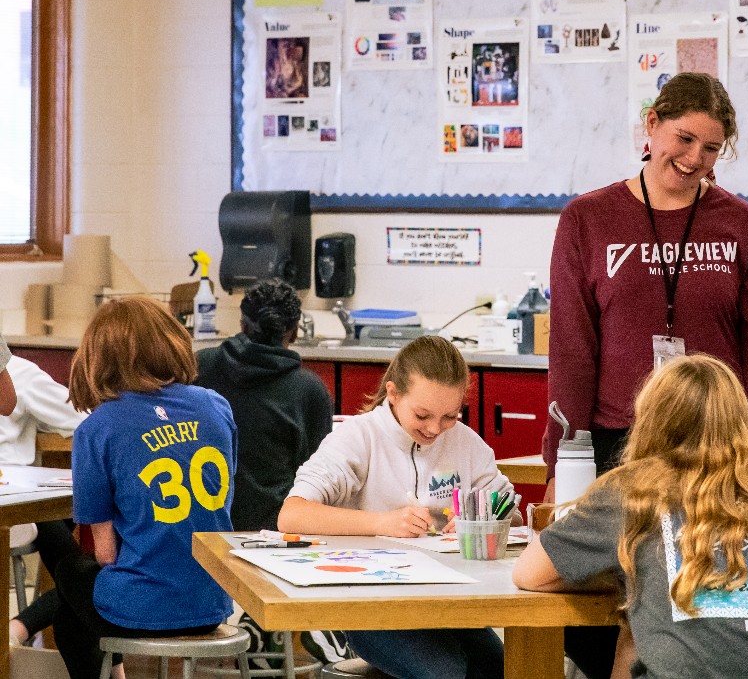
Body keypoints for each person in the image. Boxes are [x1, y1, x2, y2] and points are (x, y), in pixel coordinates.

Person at [513, 354, 748, 678]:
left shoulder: (630, 492)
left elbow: (529, 574)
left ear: (650, 420)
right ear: (741, 419)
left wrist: (634, 577)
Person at [543, 71, 748, 483]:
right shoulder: (587, 220)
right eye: (685, 138)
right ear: (653, 124)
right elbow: (572, 352)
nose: (695, 159)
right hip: (618, 445)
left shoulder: (747, 226)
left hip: (717, 447)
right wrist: (561, 464)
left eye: (711, 148)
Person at [278, 335, 512, 679]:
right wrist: (382, 523)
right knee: (444, 673)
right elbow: (292, 514)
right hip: (369, 606)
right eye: (422, 415)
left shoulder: (465, 442)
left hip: (449, 602)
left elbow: (508, 507)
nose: (435, 428)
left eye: (449, 416)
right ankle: (327, 636)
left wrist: (479, 517)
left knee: (506, 669)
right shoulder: (358, 437)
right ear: (393, 394)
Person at [54, 297, 237, 679]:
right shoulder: (216, 406)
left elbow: (105, 554)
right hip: (215, 601)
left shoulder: (97, 429)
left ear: (96, 358)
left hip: (146, 608)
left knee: (70, 574)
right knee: (76, 610)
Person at [196, 278, 333, 532]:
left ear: (242, 325)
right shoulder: (309, 390)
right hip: (272, 532)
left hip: (201, 524)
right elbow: (318, 475)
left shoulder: (200, 366)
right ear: (294, 332)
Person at [0, 349, 86, 649]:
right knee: (84, 577)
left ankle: (19, 629)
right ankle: (20, 628)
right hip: (17, 506)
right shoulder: (20, 374)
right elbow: (82, 420)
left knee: (78, 569)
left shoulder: (19, 376)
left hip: (19, 503)